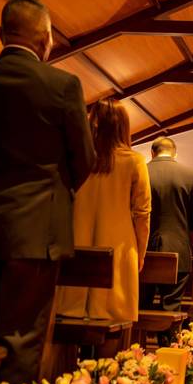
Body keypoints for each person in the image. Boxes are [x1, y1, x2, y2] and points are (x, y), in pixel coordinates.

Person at [0, 0, 94, 384]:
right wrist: (52, 195)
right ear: (47, 39)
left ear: (0, 33)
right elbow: (84, 159)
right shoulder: (62, 85)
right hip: (36, 234)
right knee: (21, 339)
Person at [56, 100, 151, 323]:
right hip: (118, 251)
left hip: (75, 247)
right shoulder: (135, 161)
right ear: (124, 127)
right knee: (113, 320)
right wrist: (141, 252)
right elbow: (142, 213)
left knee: (69, 315)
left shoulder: (77, 158)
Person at [144, 137, 193, 314]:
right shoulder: (189, 174)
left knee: (141, 303)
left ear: (152, 153)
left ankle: (136, 341)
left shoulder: (142, 171)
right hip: (177, 250)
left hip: (144, 248)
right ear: (175, 153)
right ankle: (168, 340)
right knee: (171, 307)